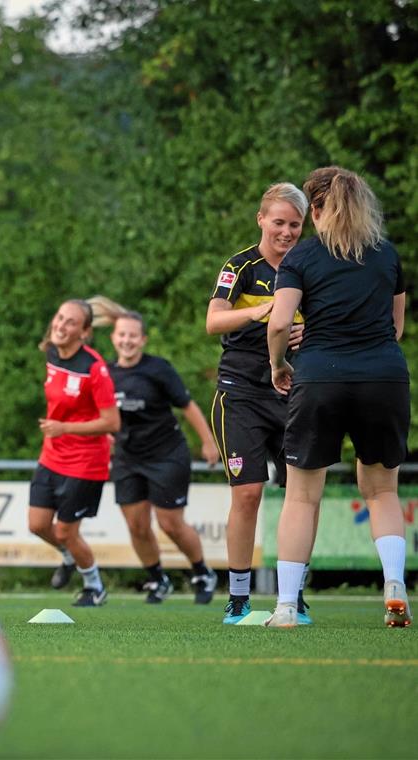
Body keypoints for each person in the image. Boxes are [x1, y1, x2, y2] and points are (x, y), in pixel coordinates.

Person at [266, 167, 410, 628]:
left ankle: (286, 606)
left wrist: (278, 365)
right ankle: (394, 588)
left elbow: (278, 323)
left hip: (320, 377)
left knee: (302, 497)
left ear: (320, 209)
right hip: (384, 377)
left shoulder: (302, 257)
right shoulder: (387, 255)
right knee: (383, 491)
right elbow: (396, 327)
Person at [206, 182, 310, 625]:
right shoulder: (240, 265)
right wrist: (259, 311)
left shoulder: (310, 267)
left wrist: (310, 333)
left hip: (295, 392)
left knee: (301, 496)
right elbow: (213, 321)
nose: (286, 232)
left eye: (295, 224)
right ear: (261, 219)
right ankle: (239, 596)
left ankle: (293, 595)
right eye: (279, 222)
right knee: (247, 493)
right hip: (241, 392)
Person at [89, 296, 221, 604]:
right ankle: (157, 578)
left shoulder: (158, 369)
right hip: (127, 457)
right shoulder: (105, 373)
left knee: (170, 523)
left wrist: (208, 441)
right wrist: (105, 437)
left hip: (166, 454)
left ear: (143, 339)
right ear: (113, 338)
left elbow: (187, 406)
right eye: (122, 335)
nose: (127, 340)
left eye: (133, 335)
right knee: (136, 524)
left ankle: (203, 572)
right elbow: (102, 415)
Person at [28, 299, 120, 607]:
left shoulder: (94, 368)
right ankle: (69, 557)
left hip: (85, 463)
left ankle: (94, 586)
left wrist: (65, 428)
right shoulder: (52, 352)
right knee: (38, 524)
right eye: (59, 317)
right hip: (51, 456)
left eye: (71, 322)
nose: (61, 325)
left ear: (84, 332)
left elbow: (112, 422)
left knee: (67, 531)